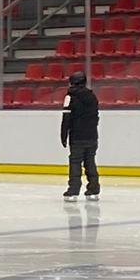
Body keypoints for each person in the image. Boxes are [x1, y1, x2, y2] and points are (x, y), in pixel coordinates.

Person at [60, 69, 101, 199]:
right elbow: (96, 116)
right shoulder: (92, 96)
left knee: (75, 162)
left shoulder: (70, 97)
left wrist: (63, 135)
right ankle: (94, 189)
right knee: (90, 161)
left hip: (77, 136)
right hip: (92, 135)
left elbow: (66, 118)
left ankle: (73, 190)